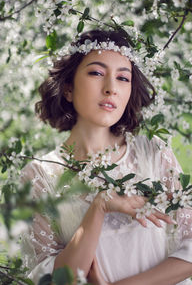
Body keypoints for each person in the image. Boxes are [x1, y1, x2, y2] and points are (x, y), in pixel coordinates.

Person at [21, 29, 192, 285]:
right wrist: (99, 207)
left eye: (123, 78)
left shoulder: (153, 152)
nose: (111, 88)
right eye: (97, 73)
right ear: (68, 89)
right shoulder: (40, 177)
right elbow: (52, 279)